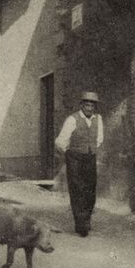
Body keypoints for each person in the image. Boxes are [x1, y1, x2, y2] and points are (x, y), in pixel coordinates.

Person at [55, 91, 104, 237]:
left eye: (92, 105)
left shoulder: (98, 119)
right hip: (74, 158)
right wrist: (70, 153)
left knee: (90, 189)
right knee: (77, 189)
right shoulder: (72, 119)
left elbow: (99, 138)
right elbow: (60, 141)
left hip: (90, 157)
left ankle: (86, 219)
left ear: (95, 107)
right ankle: (80, 224)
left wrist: (91, 149)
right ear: (81, 105)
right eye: (87, 104)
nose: (89, 108)